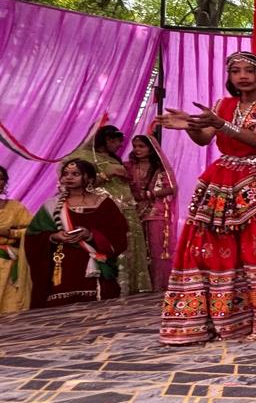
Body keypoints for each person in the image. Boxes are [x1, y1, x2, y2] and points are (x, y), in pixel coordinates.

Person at [156, 51, 256, 343]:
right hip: (222, 178)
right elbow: (203, 140)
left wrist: (217, 123)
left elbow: (253, 139)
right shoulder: (223, 105)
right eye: (236, 71)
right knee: (212, 241)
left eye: (249, 71)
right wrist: (191, 124)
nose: (242, 76)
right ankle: (222, 313)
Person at [24, 159, 129, 309]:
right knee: (61, 311)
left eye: (75, 174)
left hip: (95, 264)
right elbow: (32, 236)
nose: (69, 177)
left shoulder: (104, 203)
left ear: (89, 179)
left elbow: (118, 235)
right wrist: (54, 236)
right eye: (65, 174)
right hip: (62, 265)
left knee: (99, 311)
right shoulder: (52, 205)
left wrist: (90, 235)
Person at [65, 124, 151, 296]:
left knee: (131, 243)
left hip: (127, 207)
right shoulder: (83, 156)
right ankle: (114, 286)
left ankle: (135, 286)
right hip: (106, 207)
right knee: (113, 243)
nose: (121, 146)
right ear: (107, 139)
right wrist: (108, 173)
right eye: (118, 142)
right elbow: (79, 183)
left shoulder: (113, 158)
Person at [125, 132, 177, 291]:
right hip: (134, 211)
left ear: (151, 148)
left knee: (157, 249)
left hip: (156, 212)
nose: (137, 149)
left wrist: (149, 194)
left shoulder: (160, 168)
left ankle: (159, 286)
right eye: (135, 146)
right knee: (138, 249)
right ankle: (141, 286)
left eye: (142, 146)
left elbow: (172, 188)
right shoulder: (128, 166)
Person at [0, 164, 32, 314]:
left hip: (10, 263)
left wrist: (11, 234)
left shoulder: (15, 207)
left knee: (11, 309)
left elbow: (34, 231)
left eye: (1, 179)